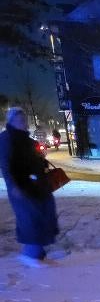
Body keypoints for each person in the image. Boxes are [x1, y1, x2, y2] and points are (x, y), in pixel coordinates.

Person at [0, 106, 59, 266]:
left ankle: (38, 255)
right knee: (31, 220)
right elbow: (6, 166)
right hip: (21, 188)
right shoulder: (6, 139)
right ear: (11, 122)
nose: (23, 122)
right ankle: (31, 257)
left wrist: (42, 161)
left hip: (38, 186)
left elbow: (37, 161)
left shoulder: (28, 140)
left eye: (24, 120)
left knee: (45, 216)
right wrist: (13, 186)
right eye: (19, 120)